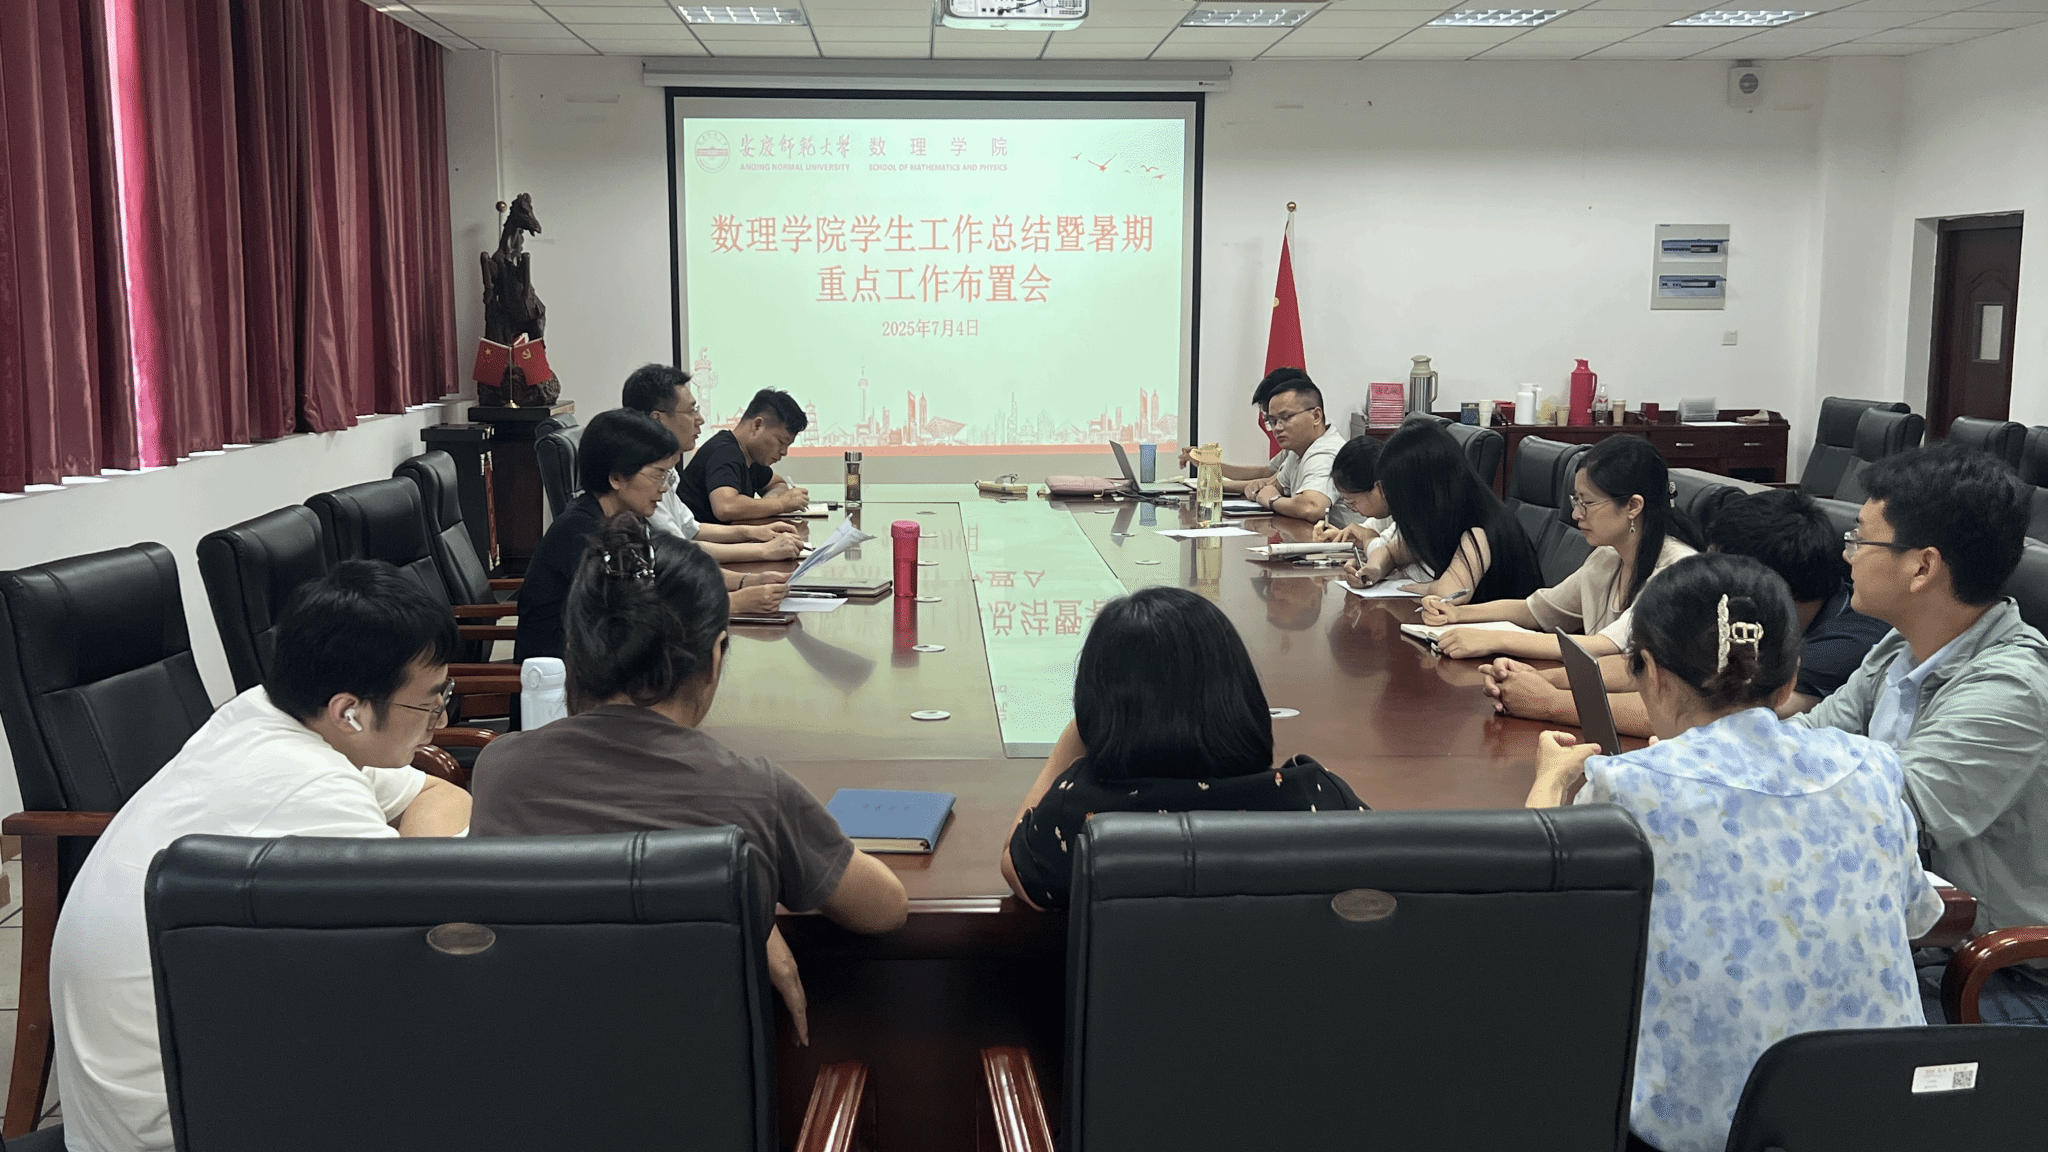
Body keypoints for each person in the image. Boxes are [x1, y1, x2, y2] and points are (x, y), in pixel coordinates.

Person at [50, 562, 473, 1152]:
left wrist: (409, 873)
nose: (441, 721)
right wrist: (422, 883)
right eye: (430, 704)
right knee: (463, 1046)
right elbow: (429, 939)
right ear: (350, 711)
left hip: (180, 1065)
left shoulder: (264, 712)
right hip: (171, 1127)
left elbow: (438, 794)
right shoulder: (305, 785)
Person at [1525, 552, 1941, 1152]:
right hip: (1881, 1119)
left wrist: (1551, 781)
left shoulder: (1630, 788)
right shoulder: (1871, 766)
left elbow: (1537, 926)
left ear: (1653, 674)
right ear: (1791, 677)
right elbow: (1916, 918)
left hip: (1706, 1133)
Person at [473, 515, 907, 1044]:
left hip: (532, 1071)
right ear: (715, 657)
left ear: (577, 651)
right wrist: (753, 915)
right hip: (702, 1086)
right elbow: (885, 909)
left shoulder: (500, 771)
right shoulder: (752, 791)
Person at [1787, 443, 2048, 1024]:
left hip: (1988, 975)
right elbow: (1804, 738)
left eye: (1860, 540)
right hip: (1909, 935)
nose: (1847, 556)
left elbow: (1891, 812)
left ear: (1923, 567)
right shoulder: (1899, 650)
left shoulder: (2010, 688)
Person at [1001, 586, 1366, 910]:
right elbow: (1386, 872)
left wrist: (1075, 735)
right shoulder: (1319, 802)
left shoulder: (1080, 817)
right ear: (1243, 697)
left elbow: (1016, 861)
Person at [1483, 489, 1888, 735]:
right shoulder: (1748, 617)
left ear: (1765, 585)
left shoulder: (1848, 642)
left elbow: (1717, 716)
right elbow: (1652, 666)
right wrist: (1540, 678)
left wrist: (1551, 703)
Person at [515, 409, 787, 662]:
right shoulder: (582, 534)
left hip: (606, 665)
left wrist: (746, 581)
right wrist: (731, 604)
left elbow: (676, 568)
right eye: (659, 475)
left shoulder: (624, 520)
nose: (664, 488)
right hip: (568, 679)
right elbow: (630, 620)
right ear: (617, 477)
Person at [1420, 434, 1701, 660]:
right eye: (1575, 500)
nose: (1576, 514)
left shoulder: (1678, 571)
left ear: (1633, 506)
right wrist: (1458, 614)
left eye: (1587, 503)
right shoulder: (1607, 557)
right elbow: (1537, 610)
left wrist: (1494, 639)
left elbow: (1605, 646)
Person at [1334, 420, 1540, 602]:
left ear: (1423, 491)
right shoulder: (1437, 522)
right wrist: (1374, 570)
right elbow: (1391, 552)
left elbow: (1451, 593)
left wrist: (1418, 588)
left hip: (1504, 631)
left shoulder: (1480, 526)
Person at [620, 363, 804, 563]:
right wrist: (763, 546)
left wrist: (754, 532)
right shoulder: (641, 477)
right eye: (691, 411)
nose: (700, 419)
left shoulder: (669, 472)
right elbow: (682, 547)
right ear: (658, 419)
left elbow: (692, 530)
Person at [1178, 368, 1345, 521]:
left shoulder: (1324, 453)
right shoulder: (1299, 450)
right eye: (1273, 421)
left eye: (1285, 417)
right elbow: (1269, 482)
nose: (1277, 428)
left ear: (1316, 416)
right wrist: (1261, 489)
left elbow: (1312, 507)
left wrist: (1272, 500)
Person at [676, 387, 812, 525]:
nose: (784, 452)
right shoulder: (725, 452)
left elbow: (778, 484)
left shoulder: (750, 456)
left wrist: (768, 504)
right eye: (781, 442)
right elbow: (725, 507)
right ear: (757, 425)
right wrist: (780, 504)